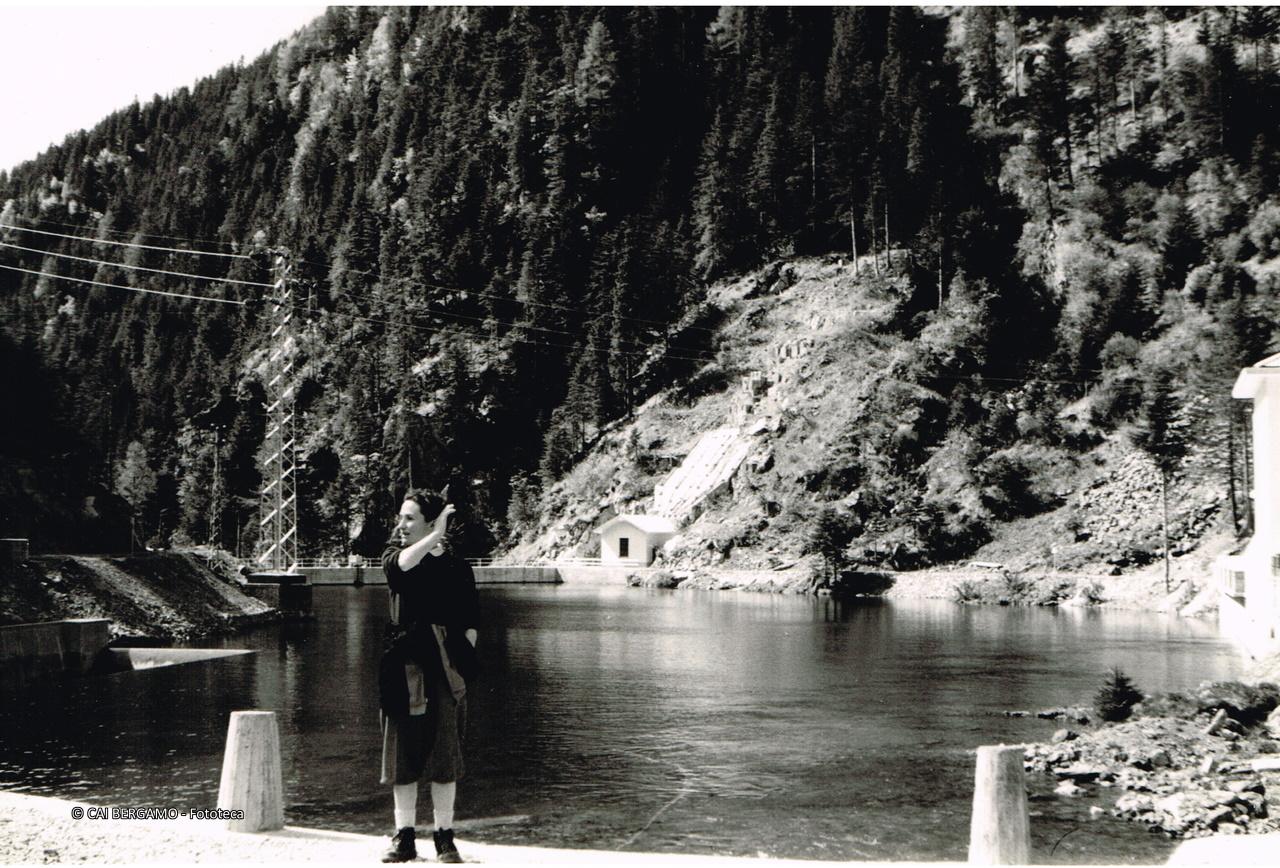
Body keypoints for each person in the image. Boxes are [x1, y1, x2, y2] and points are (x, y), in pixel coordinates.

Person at [378, 490, 480, 863]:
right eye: (400, 517)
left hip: (444, 669)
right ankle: (404, 838)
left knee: (444, 757)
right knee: (402, 758)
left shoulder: (456, 566)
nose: (400, 525)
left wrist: (460, 664)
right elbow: (404, 565)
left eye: (409, 519)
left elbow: (471, 621)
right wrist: (434, 534)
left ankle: (444, 838)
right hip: (402, 665)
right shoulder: (395, 556)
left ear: (428, 520)